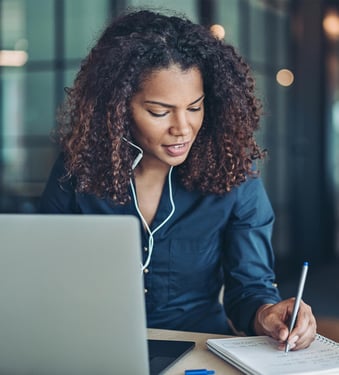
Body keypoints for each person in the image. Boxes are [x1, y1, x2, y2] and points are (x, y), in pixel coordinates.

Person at [40, 9, 316, 350]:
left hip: (198, 347)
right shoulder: (75, 171)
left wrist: (268, 313)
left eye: (195, 107)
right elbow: (47, 278)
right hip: (95, 348)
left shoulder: (234, 176)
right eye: (159, 111)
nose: (183, 128)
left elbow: (250, 289)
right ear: (118, 107)